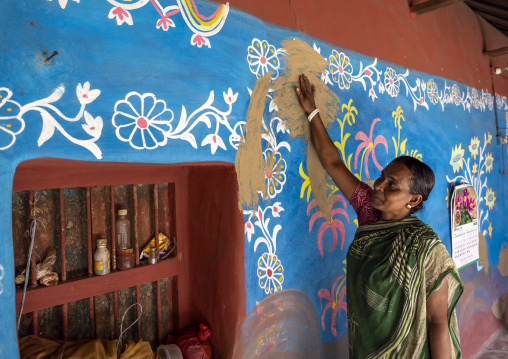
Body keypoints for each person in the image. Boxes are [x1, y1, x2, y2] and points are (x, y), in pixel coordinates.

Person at [295, 74, 463, 358]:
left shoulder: (426, 248)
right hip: (367, 347)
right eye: (382, 177)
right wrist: (312, 112)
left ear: (414, 199)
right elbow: (333, 163)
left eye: (391, 185)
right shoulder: (368, 210)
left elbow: (437, 321)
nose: (379, 185)